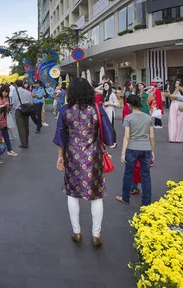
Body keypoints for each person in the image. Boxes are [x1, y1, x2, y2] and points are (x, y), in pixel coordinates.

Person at [53, 78, 113, 248]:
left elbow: (61, 137)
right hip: (93, 156)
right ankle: (96, 235)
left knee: (72, 194)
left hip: (72, 155)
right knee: (97, 195)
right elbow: (108, 135)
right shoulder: (96, 108)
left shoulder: (65, 110)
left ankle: (77, 232)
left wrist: (60, 157)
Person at [115, 95, 155, 206]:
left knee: (128, 173)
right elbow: (151, 136)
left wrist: (123, 152)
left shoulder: (128, 118)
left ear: (129, 105)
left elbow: (127, 136)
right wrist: (152, 150)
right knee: (146, 175)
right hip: (146, 148)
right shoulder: (148, 117)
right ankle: (147, 201)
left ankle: (125, 197)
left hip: (132, 148)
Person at [0, 84, 17, 156]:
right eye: (4, 92)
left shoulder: (6, 98)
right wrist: (3, 105)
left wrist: (8, 106)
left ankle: (9, 149)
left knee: (6, 134)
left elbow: (7, 109)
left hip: (4, 118)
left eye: (7, 92)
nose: (5, 93)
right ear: (1, 91)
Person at [13, 81, 34, 149]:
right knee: (26, 126)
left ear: (16, 85)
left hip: (19, 110)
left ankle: (24, 143)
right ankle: (26, 141)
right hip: (27, 110)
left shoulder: (15, 92)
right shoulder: (28, 92)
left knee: (21, 128)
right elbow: (31, 102)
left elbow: (14, 102)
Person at [99, 82, 119, 146]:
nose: (105, 87)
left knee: (111, 127)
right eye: (104, 86)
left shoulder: (112, 94)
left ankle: (114, 142)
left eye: (106, 85)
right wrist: (101, 85)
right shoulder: (104, 93)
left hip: (110, 111)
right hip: (104, 111)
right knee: (104, 126)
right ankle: (106, 141)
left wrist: (109, 103)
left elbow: (117, 104)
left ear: (109, 86)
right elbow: (95, 90)